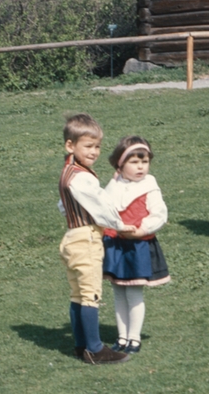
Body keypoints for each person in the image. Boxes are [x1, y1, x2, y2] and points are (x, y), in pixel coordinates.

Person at [58, 114, 133, 365]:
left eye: (97, 147)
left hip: (71, 236)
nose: (94, 152)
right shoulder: (82, 176)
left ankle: (81, 346)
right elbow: (100, 205)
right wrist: (120, 225)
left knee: (77, 293)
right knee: (90, 293)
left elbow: (62, 205)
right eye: (88, 146)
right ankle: (95, 349)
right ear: (71, 145)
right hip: (87, 237)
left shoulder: (68, 171)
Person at [102, 136, 169, 354]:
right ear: (120, 164)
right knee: (118, 291)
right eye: (134, 162)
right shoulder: (115, 185)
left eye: (145, 161)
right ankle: (122, 336)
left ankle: (134, 337)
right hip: (116, 244)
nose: (140, 167)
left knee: (133, 293)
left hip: (137, 246)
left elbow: (159, 214)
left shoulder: (149, 185)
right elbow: (104, 207)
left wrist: (142, 229)